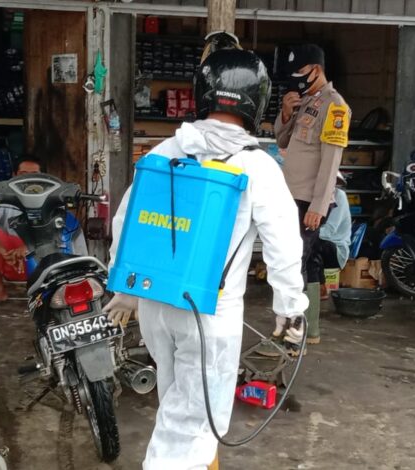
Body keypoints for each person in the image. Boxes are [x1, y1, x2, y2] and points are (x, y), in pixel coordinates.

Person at [104, 48, 308, 470]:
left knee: (177, 401)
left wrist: (125, 292)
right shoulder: (257, 166)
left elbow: (127, 224)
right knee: (191, 428)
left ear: (203, 93)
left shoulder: (163, 151)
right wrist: (290, 309)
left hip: (156, 304)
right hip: (209, 315)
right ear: (257, 101)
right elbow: (283, 244)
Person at [275, 43, 351, 345]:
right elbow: (282, 140)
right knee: (302, 262)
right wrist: (286, 112)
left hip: (309, 201)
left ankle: (294, 337)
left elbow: (331, 161)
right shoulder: (307, 101)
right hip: (292, 196)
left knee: (295, 265)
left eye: (300, 72)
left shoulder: (335, 106)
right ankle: (307, 331)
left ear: (316, 70)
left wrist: (318, 206)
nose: (296, 79)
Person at [0, 158, 87, 308]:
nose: (28, 179)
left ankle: (57, 291)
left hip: (44, 262)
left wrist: (28, 248)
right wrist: (4, 252)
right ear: (14, 176)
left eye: (34, 174)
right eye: (23, 174)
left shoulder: (54, 198)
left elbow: (59, 235)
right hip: (13, 262)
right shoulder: (1, 197)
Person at [317, 173, 352, 299]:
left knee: (313, 244)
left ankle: (321, 286)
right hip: (322, 242)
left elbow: (328, 231)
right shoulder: (316, 197)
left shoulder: (339, 196)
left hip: (336, 249)